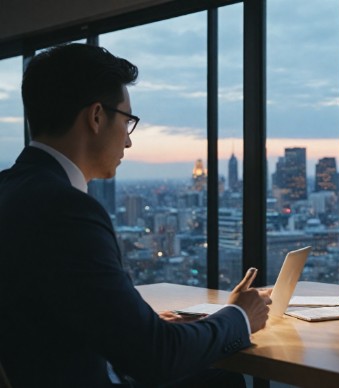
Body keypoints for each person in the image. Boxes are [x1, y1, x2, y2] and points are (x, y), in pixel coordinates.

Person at [0, 43, 271, 387]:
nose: (128, 143)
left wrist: (140, 323)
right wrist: (239, 317)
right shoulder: (66, 210)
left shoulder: (11, 190)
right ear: (96, 117)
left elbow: (51, 313)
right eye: (128, 121)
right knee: (222, 381)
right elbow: (156, 357)